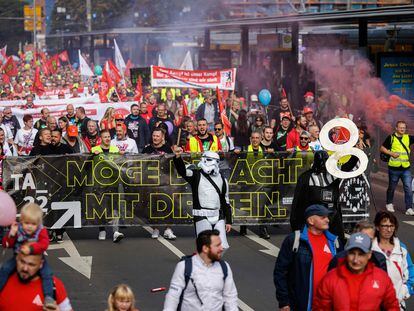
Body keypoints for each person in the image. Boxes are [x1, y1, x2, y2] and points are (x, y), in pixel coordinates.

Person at [274, 205, 340, 311]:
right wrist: (284, 301)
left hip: (327, 304)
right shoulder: (294, 240)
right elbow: (280, 272)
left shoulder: (334, 242)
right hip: (301, 305)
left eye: (327, 217)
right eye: (323, 217)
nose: (327, 220)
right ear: (311, 220)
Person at [314, 233, 400, 311]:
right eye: (352, 253)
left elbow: (392, 306)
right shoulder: (330, 279)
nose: (355, 260)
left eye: (361, 254)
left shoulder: (382, 278)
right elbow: (320, 307)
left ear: (369, 255)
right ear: (346, 253)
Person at [290, 150, 356, 244]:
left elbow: (347, 166)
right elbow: (298, 202)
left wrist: (357, 154)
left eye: (325, 161)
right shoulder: (306, 177)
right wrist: (295, 224)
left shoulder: (334, 173)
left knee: (338, 241)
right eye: (321, 161)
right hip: (314, 215)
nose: (323, 164)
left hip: (332, 213)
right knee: (314, 242)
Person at [163, 230, 238, 311]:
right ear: (205, 248)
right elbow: (173, 296)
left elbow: (230, 298)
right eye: (217, 245)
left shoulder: (224, 267)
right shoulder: (184, 266)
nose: (222, 248)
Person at [173, 149, 232, 250]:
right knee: (205, 247)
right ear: (204, 160)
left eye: (216, 161)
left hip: (218, 216)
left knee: (223, 246)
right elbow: (182, 171)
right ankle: (204, 265)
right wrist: (178, 158)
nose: (213, 163)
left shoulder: (222, 179)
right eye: (209, 160)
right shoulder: (195, 175)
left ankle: (214, 264)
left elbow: (225, 201)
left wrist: (229, 221)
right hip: (201, 216)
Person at [0, 203, 55, 307]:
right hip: (18, 258)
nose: (29, 226)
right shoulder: (17, 229)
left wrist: (31, 249)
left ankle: (49, 297)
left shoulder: (41, 231)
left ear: (38, 223)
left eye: (33, 224)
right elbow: (7, 244)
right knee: (5, 269)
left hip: (37, 259)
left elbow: (44, 244)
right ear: (21, 221)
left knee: (47, 274)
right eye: (26, 223)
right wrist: (11, 234)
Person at [0, 251, 73, 311]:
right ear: (16, 258)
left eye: (31, 264)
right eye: (22, 262)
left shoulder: (53, 285)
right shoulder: (2, 281)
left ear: (41, 264)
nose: (25, 268)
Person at [371, 211, 414, 308]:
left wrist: (406, 290)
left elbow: (411, 269)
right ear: (377, 227)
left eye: (392, 226)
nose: (389, 229)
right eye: (385, 226)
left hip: (397, 305)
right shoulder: (369, 249)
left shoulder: (401, 248)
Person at [142, 127, 176, 240]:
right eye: (154, 136)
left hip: (165, 182)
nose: (155, 138)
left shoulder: (168, 149)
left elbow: (173, 165)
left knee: (168, 205)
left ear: (162, 137)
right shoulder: (147, 149)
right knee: (153, 207)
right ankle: (155, 228)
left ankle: (168, 229)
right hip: (151, 183)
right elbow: (141, 164)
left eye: (157, 136)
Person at [91, 130, 125, 243]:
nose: (107, 139)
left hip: (113, 183)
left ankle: (115, 232)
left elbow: (120, 164)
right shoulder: (94, 150)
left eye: (109, 137)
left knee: (114, 207)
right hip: (99, 183)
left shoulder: (115, 150)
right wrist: (92, 156)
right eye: (105, 137)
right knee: (101, 207)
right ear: (101, 138)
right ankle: (102, 229)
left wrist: (122, 156)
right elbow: (87, 165)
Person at [380, 120, 414, 215]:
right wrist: (391, 153)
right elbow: (382, 148)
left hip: (405, 168)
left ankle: (409, 208)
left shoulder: (408, 138)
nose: (403, 129)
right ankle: (389, 203)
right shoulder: (391, 138)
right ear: (396, 128)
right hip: (394, 168)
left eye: (404, 127)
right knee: (392, 187)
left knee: (408, 188)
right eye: (401, 127)